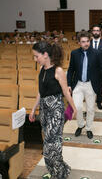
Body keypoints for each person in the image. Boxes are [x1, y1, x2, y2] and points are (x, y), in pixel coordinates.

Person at [29, 41, 77, 178]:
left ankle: (59, 174)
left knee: (52, 145)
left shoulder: (58, 70)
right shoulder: (41, 70)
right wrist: (33, 109)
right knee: (48, 145)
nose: (35, 59)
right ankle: (60, 170)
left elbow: (66, 92)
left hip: (56, 110)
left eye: (36, 56)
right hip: (44, 110)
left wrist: (74, 108)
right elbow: (40, 92)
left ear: (45, 55)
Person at [67, 31, 102, 139]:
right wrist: (68, 84)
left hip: (91, 84)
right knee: (77, 106)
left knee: (90, 109)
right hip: (78, 84)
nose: (86, 44)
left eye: (87, 41)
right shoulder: (74, 53)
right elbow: (71, 69)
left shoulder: (96, 53)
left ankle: (89, 128)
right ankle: (81, 125)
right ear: (79, 43)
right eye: (83, 42)